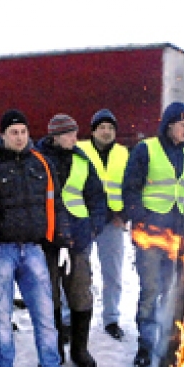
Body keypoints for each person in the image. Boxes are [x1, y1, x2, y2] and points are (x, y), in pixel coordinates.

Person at [0, 109, 76, 367]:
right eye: (13, 132)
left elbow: (56, 205)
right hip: (1, 250)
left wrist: (63, 242)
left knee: (45, 313)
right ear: (3, 135)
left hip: (33, 249)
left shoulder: (41, 163)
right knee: (1, 316)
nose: (19, 137)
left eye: (23, 131)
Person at [122, 101, 184, 367]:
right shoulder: (147, 149)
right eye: (182, 126)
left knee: (170, 289)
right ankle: (144, 344)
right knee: (150, 289)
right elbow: (130, 188)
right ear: (169, 125)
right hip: (151, 232)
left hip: (177, 233)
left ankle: (165, 342)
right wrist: (141, 219)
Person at [36, 114, 106, 367]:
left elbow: (97, 198)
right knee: (49, 296)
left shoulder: (81, 160)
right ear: (55, 135)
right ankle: (55, 350)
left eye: (75, 133)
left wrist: (93, 227)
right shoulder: (38, 159)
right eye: (68, 134)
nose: (74, 138)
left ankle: (80, 349)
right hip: (49, 242)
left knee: (80, 293)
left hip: (78, 240)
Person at [77, 108, 131, 341]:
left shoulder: (123, 153)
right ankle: (74, 319)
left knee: (113, 274)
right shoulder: (80, 150)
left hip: (113, 222)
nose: (106, 132)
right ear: (93, 131)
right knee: (79, 273)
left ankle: (111, 319)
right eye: (102, 127)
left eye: (110, 128)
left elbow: (131, 185)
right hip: (86, 219)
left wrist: (125, 214)